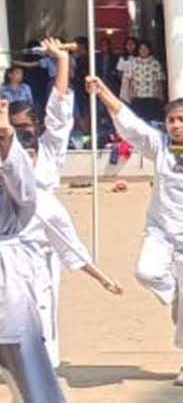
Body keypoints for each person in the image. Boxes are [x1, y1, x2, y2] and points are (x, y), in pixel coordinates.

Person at [87, 70, 183, 386]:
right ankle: (173, 294)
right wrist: (102, 91)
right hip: (161, 229)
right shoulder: (160, 145)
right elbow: (131, 125)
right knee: (146, 271)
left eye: (182, 120)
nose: (175, 125)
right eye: (171, 120)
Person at [0, 99, 88, 403]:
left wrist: (6, 135)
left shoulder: (18, 175)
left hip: (9, 287)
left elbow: (23, 191)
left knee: (34, 375)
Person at [16, 41, 120, 374]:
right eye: (11, 129)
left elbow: (59, 112)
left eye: (25, 129)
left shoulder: (48, 153)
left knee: (41, 312)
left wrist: (62, 61)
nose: (19, 136)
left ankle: (40, 374)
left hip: (39, 253)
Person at [125, 40, 167, 123]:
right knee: (138, 120)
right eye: (141, 49)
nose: (143, 51)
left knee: (151, 119)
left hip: (152, 96)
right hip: (137, 96)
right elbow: (129, 79)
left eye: (145, 49)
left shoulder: (155, 63)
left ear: (149, 50)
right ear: (138, 50)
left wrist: (160, 94)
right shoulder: (133, 62)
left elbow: (159, 80)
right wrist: (130, 93)